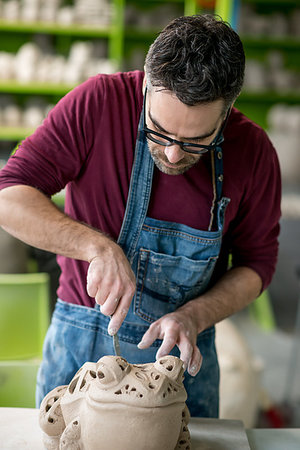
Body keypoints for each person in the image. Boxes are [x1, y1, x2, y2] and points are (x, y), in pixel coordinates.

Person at [0, 14, 281, 417]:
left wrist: (195, 315)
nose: (173, 154)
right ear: (147, 86)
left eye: (197, 141)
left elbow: (258, 264)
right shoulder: (98, 103)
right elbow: (8, 195)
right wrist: (96, 246)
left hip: (182, 360)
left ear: (227, 113)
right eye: (160, 131)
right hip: (81, 344)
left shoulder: (254, 152)